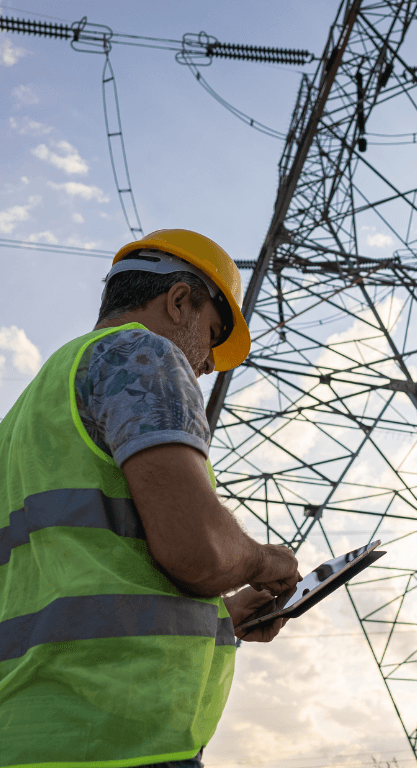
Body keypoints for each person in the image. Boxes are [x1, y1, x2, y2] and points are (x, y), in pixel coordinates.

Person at [0, 229, 301, 768]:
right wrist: (261, 559)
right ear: (180, 300)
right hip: (117, 737)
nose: (209, 364)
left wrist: (222, 617)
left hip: (30, 733)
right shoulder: (142, 354)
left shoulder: (26, 412)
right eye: (210, 335)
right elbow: (196, 551)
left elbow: (68, 580)